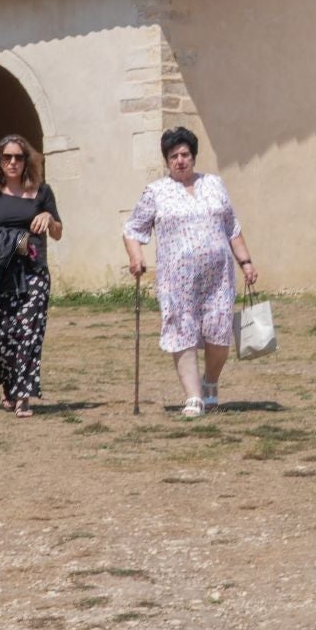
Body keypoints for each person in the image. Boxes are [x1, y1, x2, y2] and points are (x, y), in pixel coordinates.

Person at [121, 126, 258, 418]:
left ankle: (210, 382)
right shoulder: (156, 192)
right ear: (167, 161)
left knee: (219, 334)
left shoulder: (215, 184)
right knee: (182, 331)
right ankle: (194, 397)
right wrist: (136, 257)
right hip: (176, 279)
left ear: (193, 156)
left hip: (218, 277)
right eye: (173, 156)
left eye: (184, 154)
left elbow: (231, 227)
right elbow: (133, 229)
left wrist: (245, 262)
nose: (180, 160)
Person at [0, 134, 62, 416]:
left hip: (34, 272)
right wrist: (2, 243)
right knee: (2, 331)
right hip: (1, 272)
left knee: (29, 331)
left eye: (19, 157)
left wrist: (49, 219)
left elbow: (58, 233)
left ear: (27, 161)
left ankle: (23, 394)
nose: (13, 162)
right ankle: (9, 389)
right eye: (7, 157)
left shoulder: (42, 191)